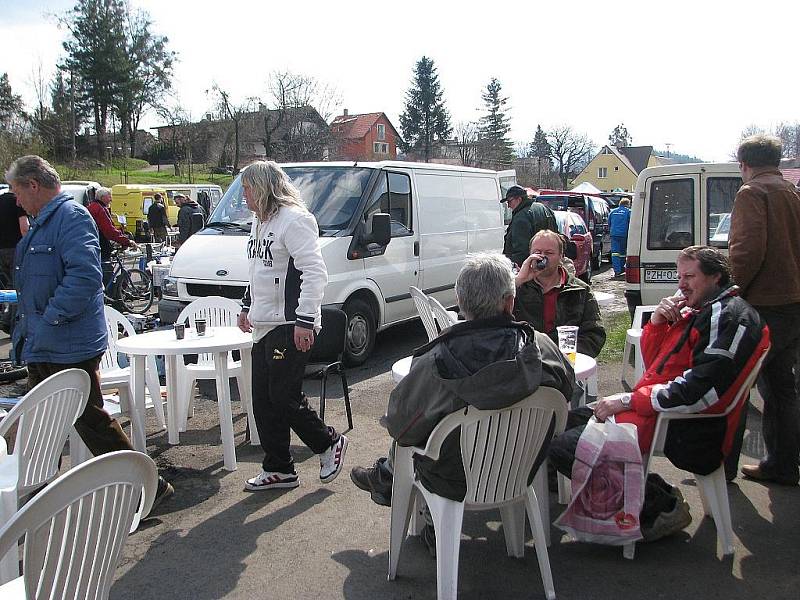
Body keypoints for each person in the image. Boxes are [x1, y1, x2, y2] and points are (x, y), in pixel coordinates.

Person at [549, 246, 770, 541]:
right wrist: (657, 324)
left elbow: (699, 390)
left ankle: (661, 506)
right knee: (556, 423)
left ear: (716, 277)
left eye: (690, 277)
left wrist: (627, 400)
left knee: (562, 447)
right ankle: (645, 495)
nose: (681, 284)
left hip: (679, 424)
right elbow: (657, 366)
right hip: (654, 409)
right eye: (680, 276)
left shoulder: (727, 317)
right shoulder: (703, 309)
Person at [6, 155, 173, 509]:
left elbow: (83, 279)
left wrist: (49, 318)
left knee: (89, 419)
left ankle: (147, 485)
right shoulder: (43, 222)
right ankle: (33, 495)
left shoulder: (70, 218)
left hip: (65, 343)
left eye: (16, 191)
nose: (15, 200)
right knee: (43, 422)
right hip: (45, 342)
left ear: (34, 185)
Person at [350, 253, 574, 509]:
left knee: (420, 428)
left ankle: (398, 490)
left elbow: (400, 427)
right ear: (510, 302)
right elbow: (567, 390)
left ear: (459, 302)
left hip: (455, 478)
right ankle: (388, 479)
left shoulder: (436, 360)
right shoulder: (540, 345)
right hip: (523, 466)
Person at [236, 160, 347, 491]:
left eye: (247, 189)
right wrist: (246, 306)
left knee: (284, 397)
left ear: (263, 187)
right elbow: (259, 270)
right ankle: (280, 468)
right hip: (264, 324)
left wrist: (305, 320)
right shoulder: (259, 222)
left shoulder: (295, 221)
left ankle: (329, 443)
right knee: (263, 400)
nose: (244, 196)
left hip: (290, 323)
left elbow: (315, 272)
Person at [729, 134, 800, 486]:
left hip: (764, 306)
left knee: (735, 384)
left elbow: (746, 250)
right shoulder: (792, 193)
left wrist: (730, 291)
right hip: (793, 304)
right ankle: (784, 465)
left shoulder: (752, 193)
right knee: (782, 388)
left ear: (745, 164)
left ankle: (719, 466)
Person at [513, 230, 606, 358]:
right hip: (526, 363)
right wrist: (518, 281)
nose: (542, 257)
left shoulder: (580, 290)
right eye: (537, 252)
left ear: (561, 256)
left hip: (565, 364)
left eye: (549, 253)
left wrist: (564, 357)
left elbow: (595, 334)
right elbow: (491, 315)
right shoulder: (517, 289)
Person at [87, 187, 138, 287]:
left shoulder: (92, 206)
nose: (111, 199)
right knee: (106, 273)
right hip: (100, 245)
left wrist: (119, 231)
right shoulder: (100, 209)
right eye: (109, 196)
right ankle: (112, 297)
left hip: (91, 244)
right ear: (102, 197)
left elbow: (108, 228)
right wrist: (127, 241)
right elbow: (108, 230)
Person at [501, 185, 557, 267]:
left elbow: (521, 251)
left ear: (519, 199)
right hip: (550, 263)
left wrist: (513, 269)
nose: (508, 206)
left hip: (531, 267)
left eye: (509, 201)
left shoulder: (521, 217)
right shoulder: (543, 208)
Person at [0, 191, 28, 339]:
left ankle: (5, 317)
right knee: (18, 287)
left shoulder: (1, 200)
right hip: (15, 249)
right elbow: (24, 228)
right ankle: (10, 322)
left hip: (1, 250)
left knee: (6, 287)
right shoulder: (19, 201)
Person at [608, 197, 631, 277]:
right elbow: (631, 223)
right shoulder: (628, 212)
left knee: (615, 253)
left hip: (614, 234)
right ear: (628, 204)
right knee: (622, 253)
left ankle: (617, 271)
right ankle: (621, 268)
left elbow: (609, 223)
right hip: (624, 234)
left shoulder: (613, 212)